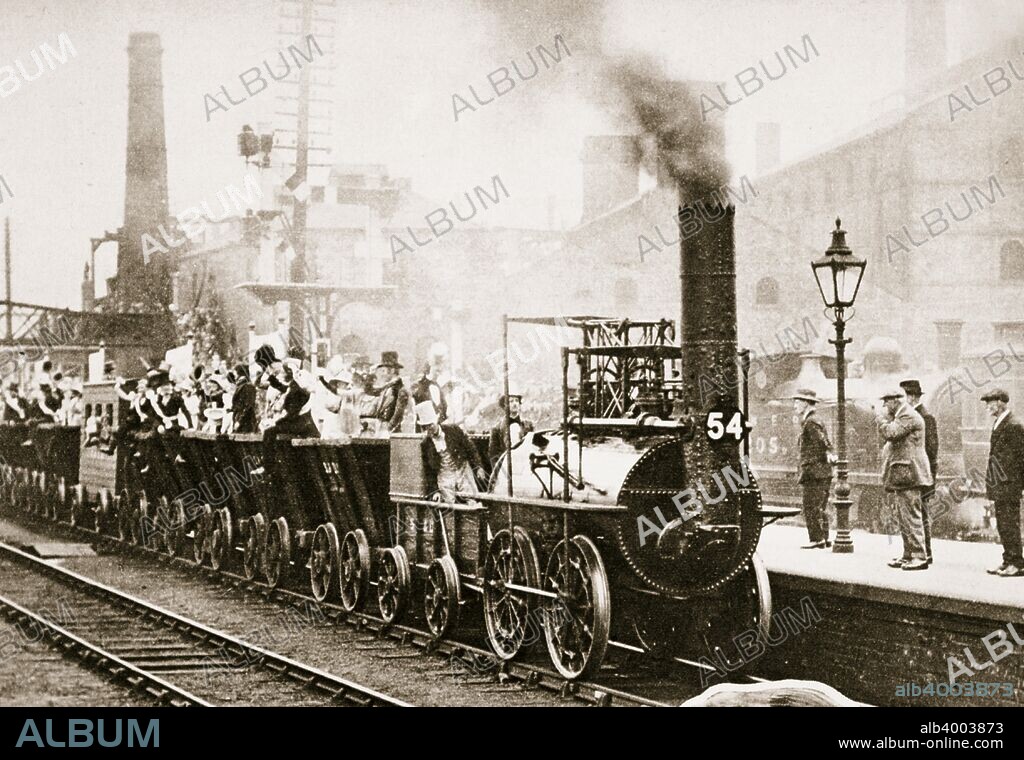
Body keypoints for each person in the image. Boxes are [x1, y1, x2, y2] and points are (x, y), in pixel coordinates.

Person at [877, 389, 932, 571]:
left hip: (910, 474)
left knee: (911, 516)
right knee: (904, 517)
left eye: (886, 402)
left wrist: (881, 419)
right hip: (903, 474)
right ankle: (908, 554)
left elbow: (891, 433)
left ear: (894, 401)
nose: (884, 406)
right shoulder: (902, 415)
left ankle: (919, 556)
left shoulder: (908, 415)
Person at [980, 388, 1024, 577]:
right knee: (1003, 524)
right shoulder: (1002, 423)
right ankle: (1008, 561)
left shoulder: (1013, 425)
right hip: (1002, 484)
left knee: (1009, 523)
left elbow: (1019, 458)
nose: (988, 406)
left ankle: (1017, 563)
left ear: (1000, 402)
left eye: (990, 402)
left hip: (1009, 485)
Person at [900, 379, 937, 565]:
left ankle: (925, 553)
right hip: (915, 474)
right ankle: (910, 553)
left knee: (920, 515)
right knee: (912, 515)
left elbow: (931, 451)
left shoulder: (925, 417)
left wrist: (930, 479)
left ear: (911, 397)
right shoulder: (910, 416)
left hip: (921, 474)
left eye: (904, 397)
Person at [417, 401, 484, 502]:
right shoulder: (425, 444)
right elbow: (429, 471)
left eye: (430, 425)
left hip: (462, 470)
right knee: (447, 506)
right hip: (444, 475)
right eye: (425, 427)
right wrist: (435, 491)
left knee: (472, 500)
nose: (429, 429)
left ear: (436, 420)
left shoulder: (454, 430)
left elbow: (471, 449)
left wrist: (478, 466)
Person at [792, 389, 833, 549]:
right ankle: (824, 537)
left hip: (814, 471)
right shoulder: (816, 420)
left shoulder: (810, 422)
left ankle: (816, 539)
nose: (795, 405)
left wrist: (824, 454)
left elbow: (822, 442)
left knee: (810, 505)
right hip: (821, 471)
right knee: (820, 506)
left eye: (797, 401)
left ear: (805, 403)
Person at [363, 351, 409, 434]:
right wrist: (370, 376)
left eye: (383, 371)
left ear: (391, 371)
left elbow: (398, 415)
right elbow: (370, 391)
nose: (381, 374)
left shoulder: (400, 390)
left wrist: (386, 430)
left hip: (391, 434)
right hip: (381, 431)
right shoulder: (387, 387)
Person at [488, 393, 534, 466]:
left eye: (516, 401)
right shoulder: (496, 428)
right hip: (506, 465)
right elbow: (493, 454)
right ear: (505, 405)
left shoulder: (528, 425)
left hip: (525, 465)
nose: (514, 404)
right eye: (511, 401)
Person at [230, 364, 258, 434]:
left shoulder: (248, 386)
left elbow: (248, 406)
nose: (234, 376)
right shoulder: (241, 385)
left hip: (246, 420)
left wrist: (239, 421)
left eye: (235, 374)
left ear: (241, 374)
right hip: (239, 417)